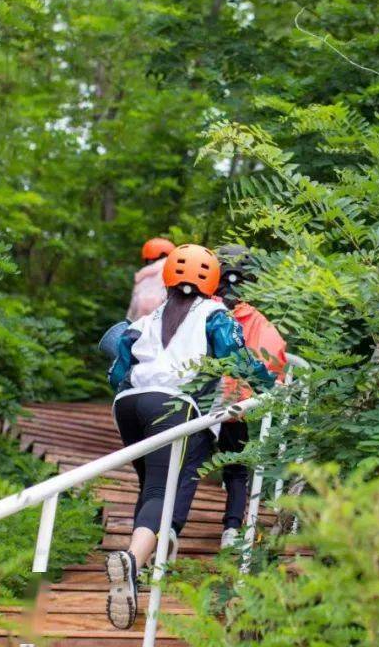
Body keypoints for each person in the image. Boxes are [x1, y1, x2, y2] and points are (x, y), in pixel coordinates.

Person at [100, 244, 275, 630]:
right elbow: (238, 360)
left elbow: (117, 373)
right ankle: (131, 559)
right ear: (212, 281)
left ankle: (142, 565)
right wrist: (269, 384)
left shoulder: (148, 319)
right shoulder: (216, 315)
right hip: (172, 406)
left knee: (151, 488)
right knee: (162, 493)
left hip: (128, 407)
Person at [213, 245, 288, 549]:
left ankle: (171, 526)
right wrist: (274, 382)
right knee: (236, 468)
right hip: (235, 400)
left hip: (198, 398)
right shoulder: (254, 318)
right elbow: (273, 354)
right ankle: (232, 528)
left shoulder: (203, 309)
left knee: (185, 463)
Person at [126, 237, 175, 321]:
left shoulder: (142, 275)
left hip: (137, 324)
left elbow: (131, 312)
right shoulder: (171, 269)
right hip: (159, 320)